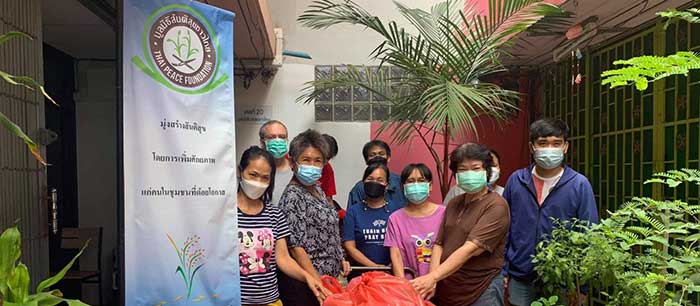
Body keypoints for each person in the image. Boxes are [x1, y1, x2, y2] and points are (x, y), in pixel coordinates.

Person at [503, 119, 598, 306]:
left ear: (566, 147)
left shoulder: (579, 185)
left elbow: (589, 234)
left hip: (562, 280)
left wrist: (582, 286)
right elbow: (504, 229)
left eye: (556, 143)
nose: (549, 149)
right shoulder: (516, 181)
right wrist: (503, 271)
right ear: (532, 147)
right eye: (543, 143)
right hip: (520, 276)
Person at [412, 143, 510, 306]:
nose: (469, 174)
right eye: (463, 169)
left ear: (486, 171)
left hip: (481, 289)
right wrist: (434, 280)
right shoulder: (454, 202)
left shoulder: (496, 205)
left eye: (476, 168)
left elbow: (469, 249)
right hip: (449, 288)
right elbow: (439, 243)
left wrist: (432, 277)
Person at [236, 146, 331, 306]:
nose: (258, 182)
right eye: (253, 175)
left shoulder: (275, 215)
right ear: (240, 172)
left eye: (265, 178)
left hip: (270, 301)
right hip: (235, 300)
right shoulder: (226, 215)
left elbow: (283, 259)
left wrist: (308, 277)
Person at [276, 129, 350, 306]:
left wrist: (340, 257)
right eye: (306, 160)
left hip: (327, 280)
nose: (312, 165)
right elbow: (296, 247)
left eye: (318, 161)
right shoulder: (293, 196)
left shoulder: (317, 189)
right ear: (292, 163)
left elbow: (328, 229)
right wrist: (316, 281)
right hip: (307, 285)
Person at [384, 163, 446, 280]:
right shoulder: (395, 219)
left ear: (430, 185)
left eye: (421, 180)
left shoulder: (444, 213)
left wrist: (432, 281)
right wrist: (403, 286)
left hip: (441, 282)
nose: (416, 185)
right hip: (410, 284)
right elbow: (396, 255)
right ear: (403, 187)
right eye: (411, 181)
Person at [342, 163, 404, 274]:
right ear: (363, 182)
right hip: (361, 273)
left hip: (393, 272)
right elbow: (349, 246)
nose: (374, 183)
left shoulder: (397, 210)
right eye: (370, 179)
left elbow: (404, 243)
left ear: (387, 184)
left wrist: (392, 266)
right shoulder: (353, 211)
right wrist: (374, 267)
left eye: (380, 180)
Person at [347, 140, 406, 207]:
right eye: (372, 155)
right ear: (366, 160)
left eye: (381, 154)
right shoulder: (359, 188)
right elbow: (352, 214)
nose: (377, 157)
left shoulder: (400, 182)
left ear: (388, 158)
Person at [259, 120, 293, 205]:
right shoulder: (255, 172)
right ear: (262, 142)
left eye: (282, 137)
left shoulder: (297, 170)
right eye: (271, 137)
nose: (278, 141)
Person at [319, 134, 338, 204]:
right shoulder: (299, 165)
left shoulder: (327, 168)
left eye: (328, 158)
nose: (325, 161)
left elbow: (329, 199)